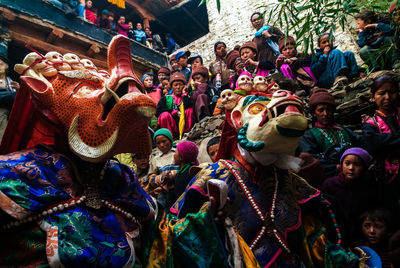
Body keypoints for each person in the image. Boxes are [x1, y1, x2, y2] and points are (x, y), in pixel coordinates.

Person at [0, 36, 229, 267]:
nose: (110, 93)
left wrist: (206, 220)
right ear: (47, 106)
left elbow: (161, 241)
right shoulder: (14, 174)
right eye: (84, 88)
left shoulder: (121, 178)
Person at [172, 90, 367, 267]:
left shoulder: (292, 182)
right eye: (257, 108)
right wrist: (207, 221)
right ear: (238, 119)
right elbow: (175, 232)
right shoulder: (214, 175)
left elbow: (314, 240)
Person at [299, 88, 361, 177]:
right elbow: (311, 159)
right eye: (321, 110)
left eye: (328, 109)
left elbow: (361, 145)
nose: (325, 113)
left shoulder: (343, 130)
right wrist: (336, 168)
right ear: (314, 113)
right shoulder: (309, 136)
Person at [322, 147, 374, 244]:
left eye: (357, 164)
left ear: (364, 168)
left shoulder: (369, 187)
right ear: (341, 165)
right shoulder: (330, 184)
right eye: (347, 163)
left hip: (358, 233)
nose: (351, 168)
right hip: (335, 231)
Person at [362, 73, 400, 206]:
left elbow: (379, 143)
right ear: (372, 97)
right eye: (382, 93)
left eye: (392, 92)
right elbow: (372, 146)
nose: (388, 97)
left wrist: (385, 141)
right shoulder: (370, 124)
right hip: (387, 179)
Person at [156, 72, 193, 138]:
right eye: (175, 85)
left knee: (189, 111)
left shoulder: (187, 96)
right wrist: (172, 112)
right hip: (172, 125)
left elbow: (189, 105)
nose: (178, 87)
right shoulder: (167, 98)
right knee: (164, 115)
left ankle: (187, 135)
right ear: (172, 87)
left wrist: (184, 94)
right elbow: (159, 110)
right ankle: (169, 137)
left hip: (183, 124)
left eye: (180, 85)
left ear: (184, 86)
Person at [164, 141, 199, 209]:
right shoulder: (187, 170)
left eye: (175, 152)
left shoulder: (184, 175)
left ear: (181, 158)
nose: (174, 155)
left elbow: (179, 198)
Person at [0, 55, 18, 141]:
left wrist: (19, 90)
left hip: (4, 115)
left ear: (7, 66)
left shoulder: (10, 82)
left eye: (1, 63)